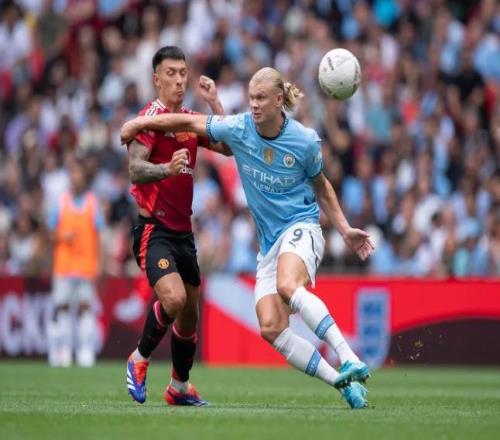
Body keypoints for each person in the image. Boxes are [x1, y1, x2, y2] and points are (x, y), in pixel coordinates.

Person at [121, 67, 376, 409]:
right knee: (271, 327)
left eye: (261, 98)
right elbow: (185, 122)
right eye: (251, 98)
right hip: (269, 245)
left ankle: (348, 357)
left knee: (288, 285)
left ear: (278, 100)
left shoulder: (304, 140)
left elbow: (323, 186)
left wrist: (344, 230)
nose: (253, 104)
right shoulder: (241, 127)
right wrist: (139, 124)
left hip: (302, 227)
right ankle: (342, 384)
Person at [125, 46, 228, 406]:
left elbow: (228, 147)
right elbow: (135, 169)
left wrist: (215, 104)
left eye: (183, 73)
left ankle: (179, 387)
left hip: (184, 232)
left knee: (188, 317)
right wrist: (166, 170)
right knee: (174, 297)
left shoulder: (190, 120)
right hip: (153, 229)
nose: (179, 80)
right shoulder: (148, 119)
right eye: (171, 73)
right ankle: (138, 358)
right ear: (156, 79)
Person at [46, 158, 104, 368]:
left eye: (79, 176)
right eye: (73, 176)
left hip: (86, 266)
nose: (76, 180)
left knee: (85, 308)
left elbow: (99, 234)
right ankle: (62, 349)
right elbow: (49, 233)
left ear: (84, 179)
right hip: (64, 265)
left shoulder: (92, 202)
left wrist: (100, 263)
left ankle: (85, 350)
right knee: (61, 307)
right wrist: (63, 236)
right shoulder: (60, 202)